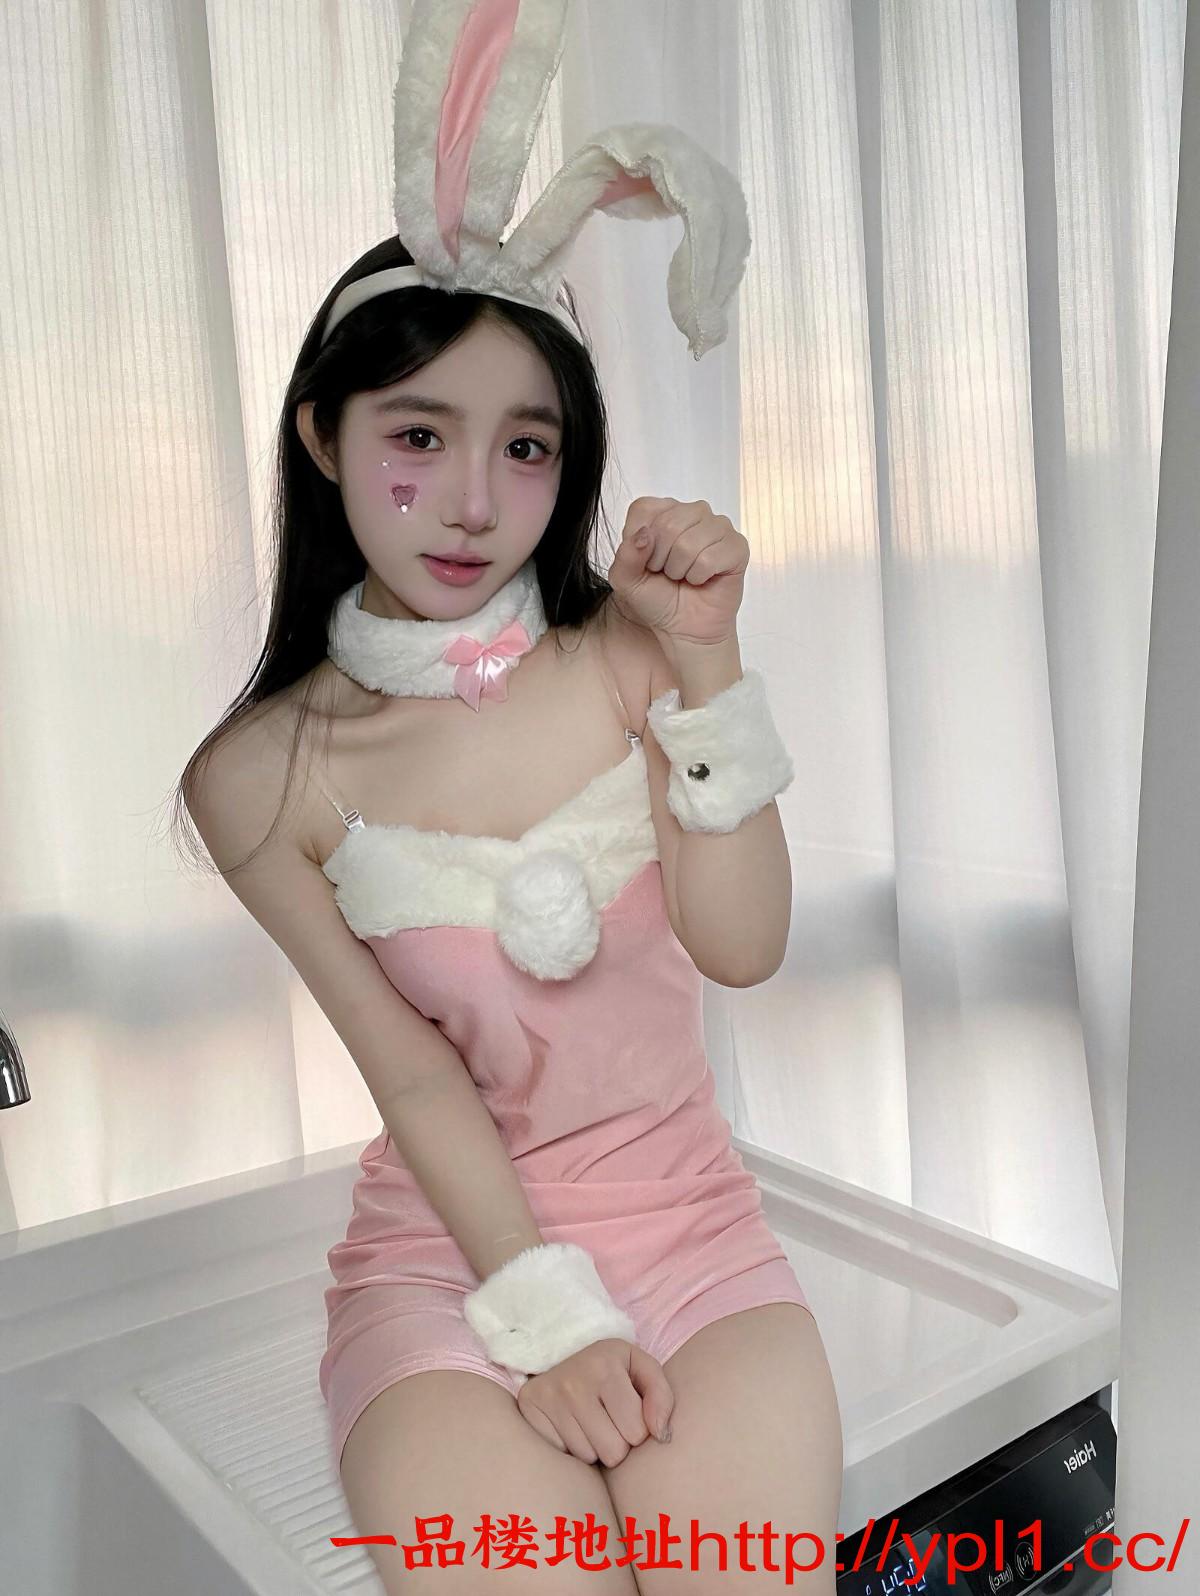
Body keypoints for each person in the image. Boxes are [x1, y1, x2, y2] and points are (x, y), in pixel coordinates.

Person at [174, 6, 843, 1591]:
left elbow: (743, 948)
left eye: (527, 447)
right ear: (323, 436)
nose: (475, 502)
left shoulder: (626, 655)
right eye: (420, 434)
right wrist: (542, 1319)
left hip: (692, 1225)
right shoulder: (259, 775)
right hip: (451, 1259)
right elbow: (415, 1081)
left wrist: (707, 660)